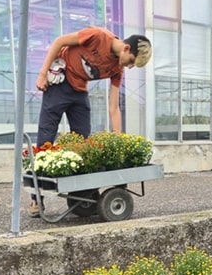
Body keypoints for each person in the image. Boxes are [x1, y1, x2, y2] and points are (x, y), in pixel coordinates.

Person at [29, 25, 152, 217]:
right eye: (130, 62)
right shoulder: (97, 36)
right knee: (46, 138)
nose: (129, 66)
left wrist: (118, 141)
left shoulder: (117, 70)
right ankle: (37, 199)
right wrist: (43, 73)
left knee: (83, 143)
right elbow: (59, 42)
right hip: (59, 84)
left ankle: (81, 195)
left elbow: (114, 107)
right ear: (126, 48)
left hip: (79, 91)